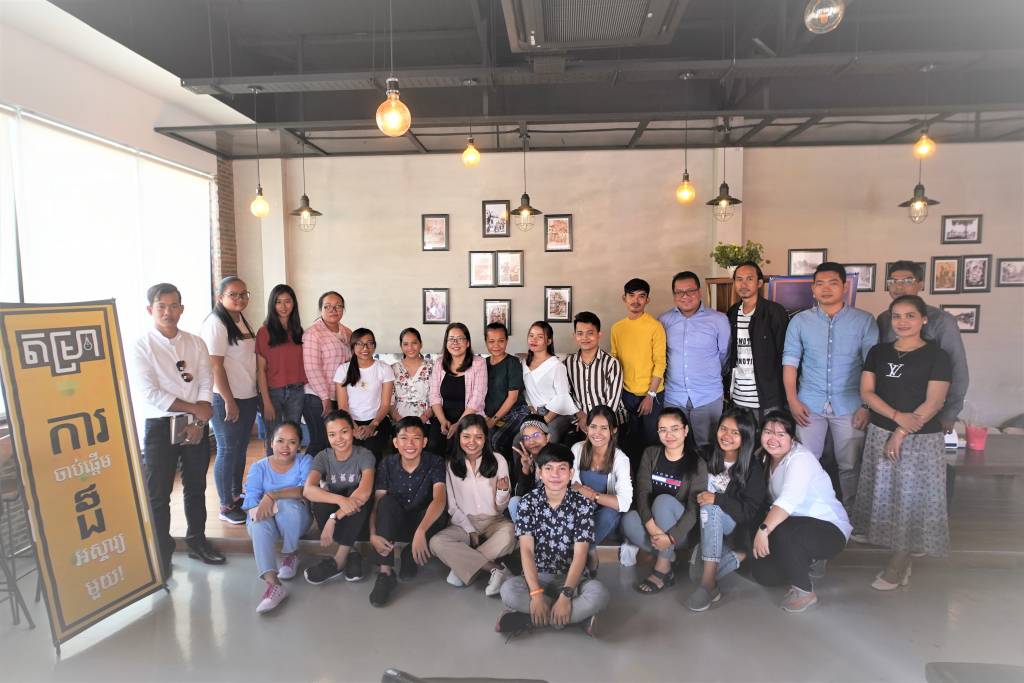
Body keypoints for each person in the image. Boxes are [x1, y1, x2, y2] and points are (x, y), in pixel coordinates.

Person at [855, 295, 952, 590]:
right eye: (896, 316)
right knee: (887, 497)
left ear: (924, 320)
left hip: (920, 439)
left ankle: (898, 565)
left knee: (911, 501)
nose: (902, 322)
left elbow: (935, 401)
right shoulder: (879, 352)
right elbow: (867, 392)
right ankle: (901, 553)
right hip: (880, 433)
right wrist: (896, 418)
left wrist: (900, 432)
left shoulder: (937, 356)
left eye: (910, 316)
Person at [130, 282, 223, 575]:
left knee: (196, 486)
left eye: (173, 306)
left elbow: (206, 380)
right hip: (159, 426)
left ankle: (197, 541)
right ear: (150, 309)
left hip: (195, 424)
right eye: (161, 306)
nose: (168, 312)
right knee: (158, 494)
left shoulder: (195, 342)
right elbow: (150, 393)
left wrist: (199, 420)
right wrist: (196, 410)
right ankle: (162, 554)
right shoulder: (141, 346)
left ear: (182, 309)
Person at [783, 262, 878, 510]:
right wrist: (792, 401)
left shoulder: (864, 321)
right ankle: (810, 512)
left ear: (845, 287)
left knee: (850, 466)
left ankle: (852, 515)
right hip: (808, 404)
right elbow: (790, 363)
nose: (826, 289)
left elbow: (872, 367)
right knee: (806, 463)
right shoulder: (800, 321)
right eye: (820, 284)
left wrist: (866, 406)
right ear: (813, 289)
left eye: (833, 283)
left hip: (850, 405)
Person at [497, 444, 609, 638]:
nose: (555, 474)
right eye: (548, 468)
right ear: (540, 473)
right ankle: (571, 618)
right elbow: (526, 551)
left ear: (571, 473)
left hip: (571, 577)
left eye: (562, 468)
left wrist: (566, 595)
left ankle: (532, 617)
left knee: (599, 593)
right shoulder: (527, 503)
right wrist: (535, 595)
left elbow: (581, 554)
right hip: (537, 575)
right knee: (508, 590)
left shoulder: (583, 505)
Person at [751, 409, 851, 612]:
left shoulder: (800, 459)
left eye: (781, 434)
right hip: (794, 526)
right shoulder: (764, 457)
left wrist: (763, 530)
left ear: (792, 438)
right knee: (765, 575)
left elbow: (787, 501)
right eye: (768, 432)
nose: (773, 439)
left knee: (780, 529)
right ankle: (808, 560)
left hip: (828, 529)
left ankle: (804, 591)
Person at [686, 408, 766, 612]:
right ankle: (737, 557)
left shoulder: (752, 468)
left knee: (712, 508)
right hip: (703, 526)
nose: (727, 436)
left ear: (745, 436)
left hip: (732, 525)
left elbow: (748, 512)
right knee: (694, 575)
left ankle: (707, 585)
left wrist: (717, 499)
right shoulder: (704, 454)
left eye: (735, 432)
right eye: (723, 429)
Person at [876, 261, 969, 433]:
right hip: (888, 411)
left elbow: (957, 368)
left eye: (907, 281)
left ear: (921, 284)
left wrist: (950, 413)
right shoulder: (884, 319)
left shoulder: (942, 321)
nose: (898, 286)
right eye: (893, 281)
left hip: (927, 412)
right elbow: (877, 365)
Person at [621, 407, 707, 593]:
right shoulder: (651, 454)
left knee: (663, 501)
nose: (669, 435)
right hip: (657, 528)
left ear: (685, 430)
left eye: (675, 429)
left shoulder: (697, 463)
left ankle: (662, 569)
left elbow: (694, 510)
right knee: (629, 520)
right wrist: (651, 526)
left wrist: (671, 537)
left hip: (682, 531)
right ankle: (669, 556)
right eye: (663, 430)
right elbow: (642, 492)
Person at [430, 415, 516, 595]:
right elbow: (452, 506)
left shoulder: (498, 460)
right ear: (459, 437)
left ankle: (463, 568)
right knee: (436, 542)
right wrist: (470, 530)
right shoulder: (451, 464)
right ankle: (495, 569)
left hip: (494, 521)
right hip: (464, 523)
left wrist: (502, 492)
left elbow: (501, 507)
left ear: (485, 438)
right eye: (466, 436)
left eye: (478, 437)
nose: (472, 442)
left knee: (510, 533)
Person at [368, 417, 447, 607]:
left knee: (440, 512)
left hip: (423, 524)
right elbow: (377, 503)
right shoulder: (387, 464)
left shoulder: (435, 462)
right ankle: (385, 574)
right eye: (404, 438)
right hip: (397, 523)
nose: (410, 444)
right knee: (385, 503)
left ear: (424, 442)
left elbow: (439, 499)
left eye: (416, 438)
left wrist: (421, 530)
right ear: (395, 442)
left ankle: (409, 554)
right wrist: (372, 534)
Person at [201, 276, 259, 526]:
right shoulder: (216, 323)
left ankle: (236, 494)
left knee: (240, 447)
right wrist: (228, 400)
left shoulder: (240, 319)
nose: (239, 298)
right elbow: (216, 366)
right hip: (227, 398)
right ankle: (225, 504)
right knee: (226, 450)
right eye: (233, 294)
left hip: (247, 395)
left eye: (243, 294)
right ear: (220, 297)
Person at [242, 421, 312, 613]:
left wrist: (272, 496)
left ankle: (291, 554)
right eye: (280, 441)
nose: (285, 447)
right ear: (271, 443)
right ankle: (273, 585)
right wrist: (258, 509)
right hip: (268, 522)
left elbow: (305, 490)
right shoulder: (259, 467)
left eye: (292, 442)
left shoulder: (305, 460)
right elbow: (251, 500)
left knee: (287, 505)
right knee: (257, 524)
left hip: (296, 519)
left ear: (299, 445)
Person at [302, 410, 376, 585]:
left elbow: (364, 492)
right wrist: (340, 501)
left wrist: (334, 518)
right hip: (337, 520)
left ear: (353, 431)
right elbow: (308, 490)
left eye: (344, 431)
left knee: (358, 495)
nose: (339, 439)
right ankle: (352, 553)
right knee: (321, 500)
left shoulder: (365, 455)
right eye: (332, 434)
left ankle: (339, 561)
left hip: (358, 520)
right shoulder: (322, 457)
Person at [660, 271, 731, 448]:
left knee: (708, 448)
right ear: (674, 295)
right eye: (679, 292)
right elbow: (661, 357)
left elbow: (724, 355)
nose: (685, 296)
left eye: (690, 291)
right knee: (675, 448)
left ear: (699, 292)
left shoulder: (718, 320)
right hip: (674, 397)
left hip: (708, 396)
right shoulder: (663, 321)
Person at [610, 278, 667, 469]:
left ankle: (651, 479)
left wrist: (650, 395)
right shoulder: (617, 328)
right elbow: (615, 361)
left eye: (641, 296)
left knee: (652, 441)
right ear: (624, 298)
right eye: (631, 296)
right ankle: (630, 479)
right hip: (627, 394)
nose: (636, 301)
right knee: (629, 442)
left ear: (647, 300)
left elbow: (660, 362)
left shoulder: (655, 326)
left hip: (653, 394)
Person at [569, 405, 632, 576]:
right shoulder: (577, 449)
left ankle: (583, 553)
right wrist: (582, 493)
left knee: (610, 512)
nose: (597, 433)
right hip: (582, 510)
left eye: (604, 428)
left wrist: (592, 495)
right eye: (593, 427)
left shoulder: (620, 459)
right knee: (577, 507)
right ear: (586, 428)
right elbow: (573, 485)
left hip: (606, 517)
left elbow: (624, 503)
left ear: (613, 430)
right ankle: (588, 551)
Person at [726, 262, 790, 418]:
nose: (743, 284)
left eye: (749, 279)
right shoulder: (732, 313)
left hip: (768, 399)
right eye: (739, 279)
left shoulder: (774, 312)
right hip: (738, 397)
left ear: (759, 283)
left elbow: (785, 355)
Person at [255, 284, 306, 456]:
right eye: (278, 302)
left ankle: (292, 471)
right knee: (273, 437)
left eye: (287, 301)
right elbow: (260, 370)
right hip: (273, 393)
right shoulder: (264, 332)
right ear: (272, 304)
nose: (283, 307)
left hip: (296, 391)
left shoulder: (298, 331)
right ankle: (272, 471)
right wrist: (266, 402)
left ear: (294, 303)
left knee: (293, 437)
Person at [302, 291, 352, 459]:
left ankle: (328, 475)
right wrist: (325, 398)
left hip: (339, 395)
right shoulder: (313, 333)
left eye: (338, 306)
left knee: (334, 443)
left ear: (343, 309)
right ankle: (306, 474)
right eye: (327, 306)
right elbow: (312, 368)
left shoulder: (347, 332)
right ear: (320, 309)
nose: (333, 310)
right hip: (317, 397)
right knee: (320, 441)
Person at [334, 328, 394, 459]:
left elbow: (385, 404)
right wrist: (354, 428)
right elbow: (343, 406)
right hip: (350, 421)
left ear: (374, 346)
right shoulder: (343, 370)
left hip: (378, 420)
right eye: (359, 344)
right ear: (353, 346)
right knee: (352, 452)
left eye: (369, 343)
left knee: (371, 451)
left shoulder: (384, 369)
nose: (365, 348)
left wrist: (372, 426)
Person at [564, 311, 627, 435]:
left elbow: (613, 401)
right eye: (580, 333)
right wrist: (580, 415)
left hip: (609, 421)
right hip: (580, 421)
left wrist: (596, 425)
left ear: (599, 334)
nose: (585, 337)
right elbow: (567, 394)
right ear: (574, 335)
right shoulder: (567, 363)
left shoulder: (611, 363)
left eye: (590, 333)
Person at [522, 321, 578, 444]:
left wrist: (545, 419)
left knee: (545, 442)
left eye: (540, 337)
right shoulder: (524, 363)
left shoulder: (556, 366)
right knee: (518, 442)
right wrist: (532, 409)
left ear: (549, 341)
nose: (534, 339)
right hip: (536, 412)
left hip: (557, 414)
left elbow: (563, 397)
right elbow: (526, 391)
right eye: (531, 335)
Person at [389, 327, 443, 454]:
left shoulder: (433, 367)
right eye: (406, 344)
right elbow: (389, 401)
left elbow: (437, 397)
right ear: (401, 346)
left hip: (426, 418)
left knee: (430, 447)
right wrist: (400, 420)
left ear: (421, 344)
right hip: (399, 418)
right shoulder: (392, 368)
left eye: (414, 343)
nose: (410, 348)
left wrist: (422, 419)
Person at [429, 323, 487, 440]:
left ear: (467, 343)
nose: (455, 342)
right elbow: (434, 396)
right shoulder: (439, 363)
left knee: (460, 444)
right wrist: (443, 421)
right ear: (446, 343)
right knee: (433, 445)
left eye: (460, 339)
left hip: (470, 418)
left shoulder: (479, 363)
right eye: (451, 339)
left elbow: (477, 399)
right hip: (443, 418)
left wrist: (459, 424)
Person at [483, 322, 531, 459]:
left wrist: (493, 420)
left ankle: (507, 472)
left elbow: (512, 398)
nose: (496, 345)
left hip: (515, 413)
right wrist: (485, 416)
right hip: (490, 415)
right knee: (483, 440)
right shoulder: (482, 364)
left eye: (501, 341)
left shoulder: (513, 363)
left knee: (496, 441)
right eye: (491, 341)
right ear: (486, 342)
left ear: (507, 341)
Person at [507, 419, 550, 523]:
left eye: (536, 435)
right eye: (526, 438)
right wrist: (526, 469)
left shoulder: (559, 457)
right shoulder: (523, 459)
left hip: (554, 508)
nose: (531, 441)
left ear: (548, 437)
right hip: (532, 506)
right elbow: (520, 494)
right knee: (514, 502)